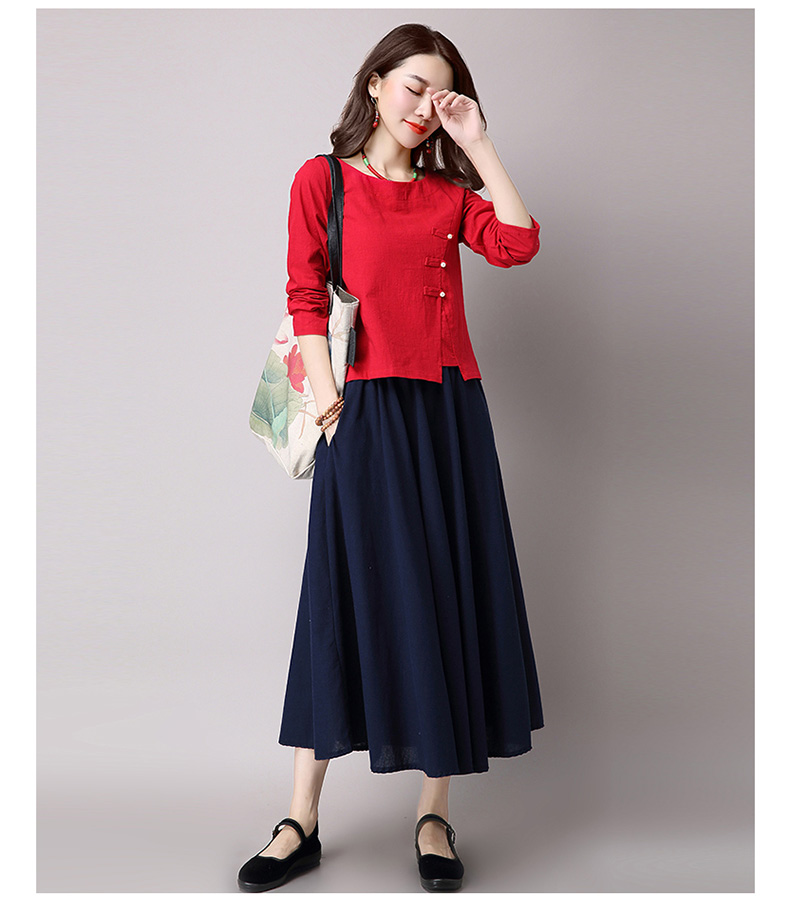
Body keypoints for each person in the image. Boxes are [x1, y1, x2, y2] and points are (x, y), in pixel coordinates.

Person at [238, 22, 545, 893]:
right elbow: (305, 291)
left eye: (440, 95)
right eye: (413, 87)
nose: (423, 107)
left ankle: (434, 813)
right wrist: (328, 398)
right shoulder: (322, 180)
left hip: (447, 411)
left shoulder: (449, 195)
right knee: (338, 595)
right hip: (360, 408)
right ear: (374, 83)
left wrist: (476, 142)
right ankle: (301, 818)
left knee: (443, 592)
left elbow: (518, 242)